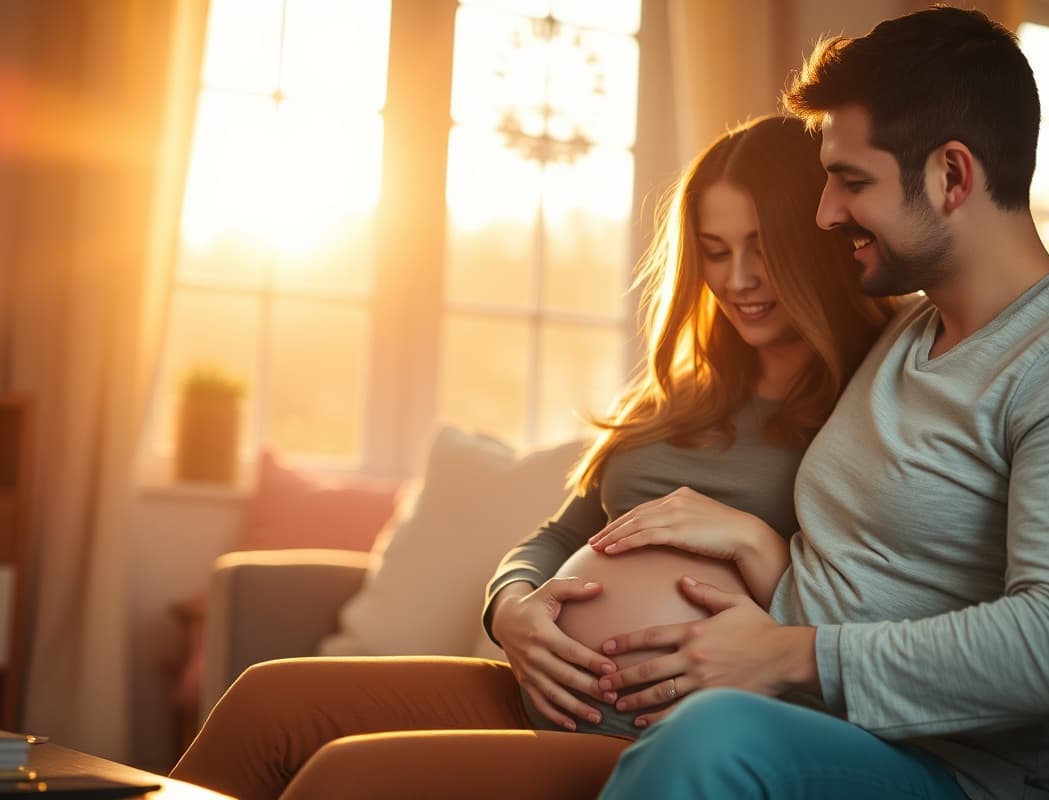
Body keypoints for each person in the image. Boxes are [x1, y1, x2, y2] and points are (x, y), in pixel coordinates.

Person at [168, 114, 897, 800]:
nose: (736, 278)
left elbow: (869, 608)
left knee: (346, 778)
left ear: (819, 237)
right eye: (715, 250)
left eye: (761, 247)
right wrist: (511, 605)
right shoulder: (677, 398)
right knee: (265, 702)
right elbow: (559, 534)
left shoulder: (874, 406)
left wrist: (753, 539)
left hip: (660, 735)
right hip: (541, 689)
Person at [590, 8, 1049, 800]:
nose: (825, 213)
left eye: (852, 182)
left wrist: (788, 655)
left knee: (713, 741)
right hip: (793, 715)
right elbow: (872, 574)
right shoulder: (908, 332)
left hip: (948, 772)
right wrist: (756, 549)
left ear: (952, 176)